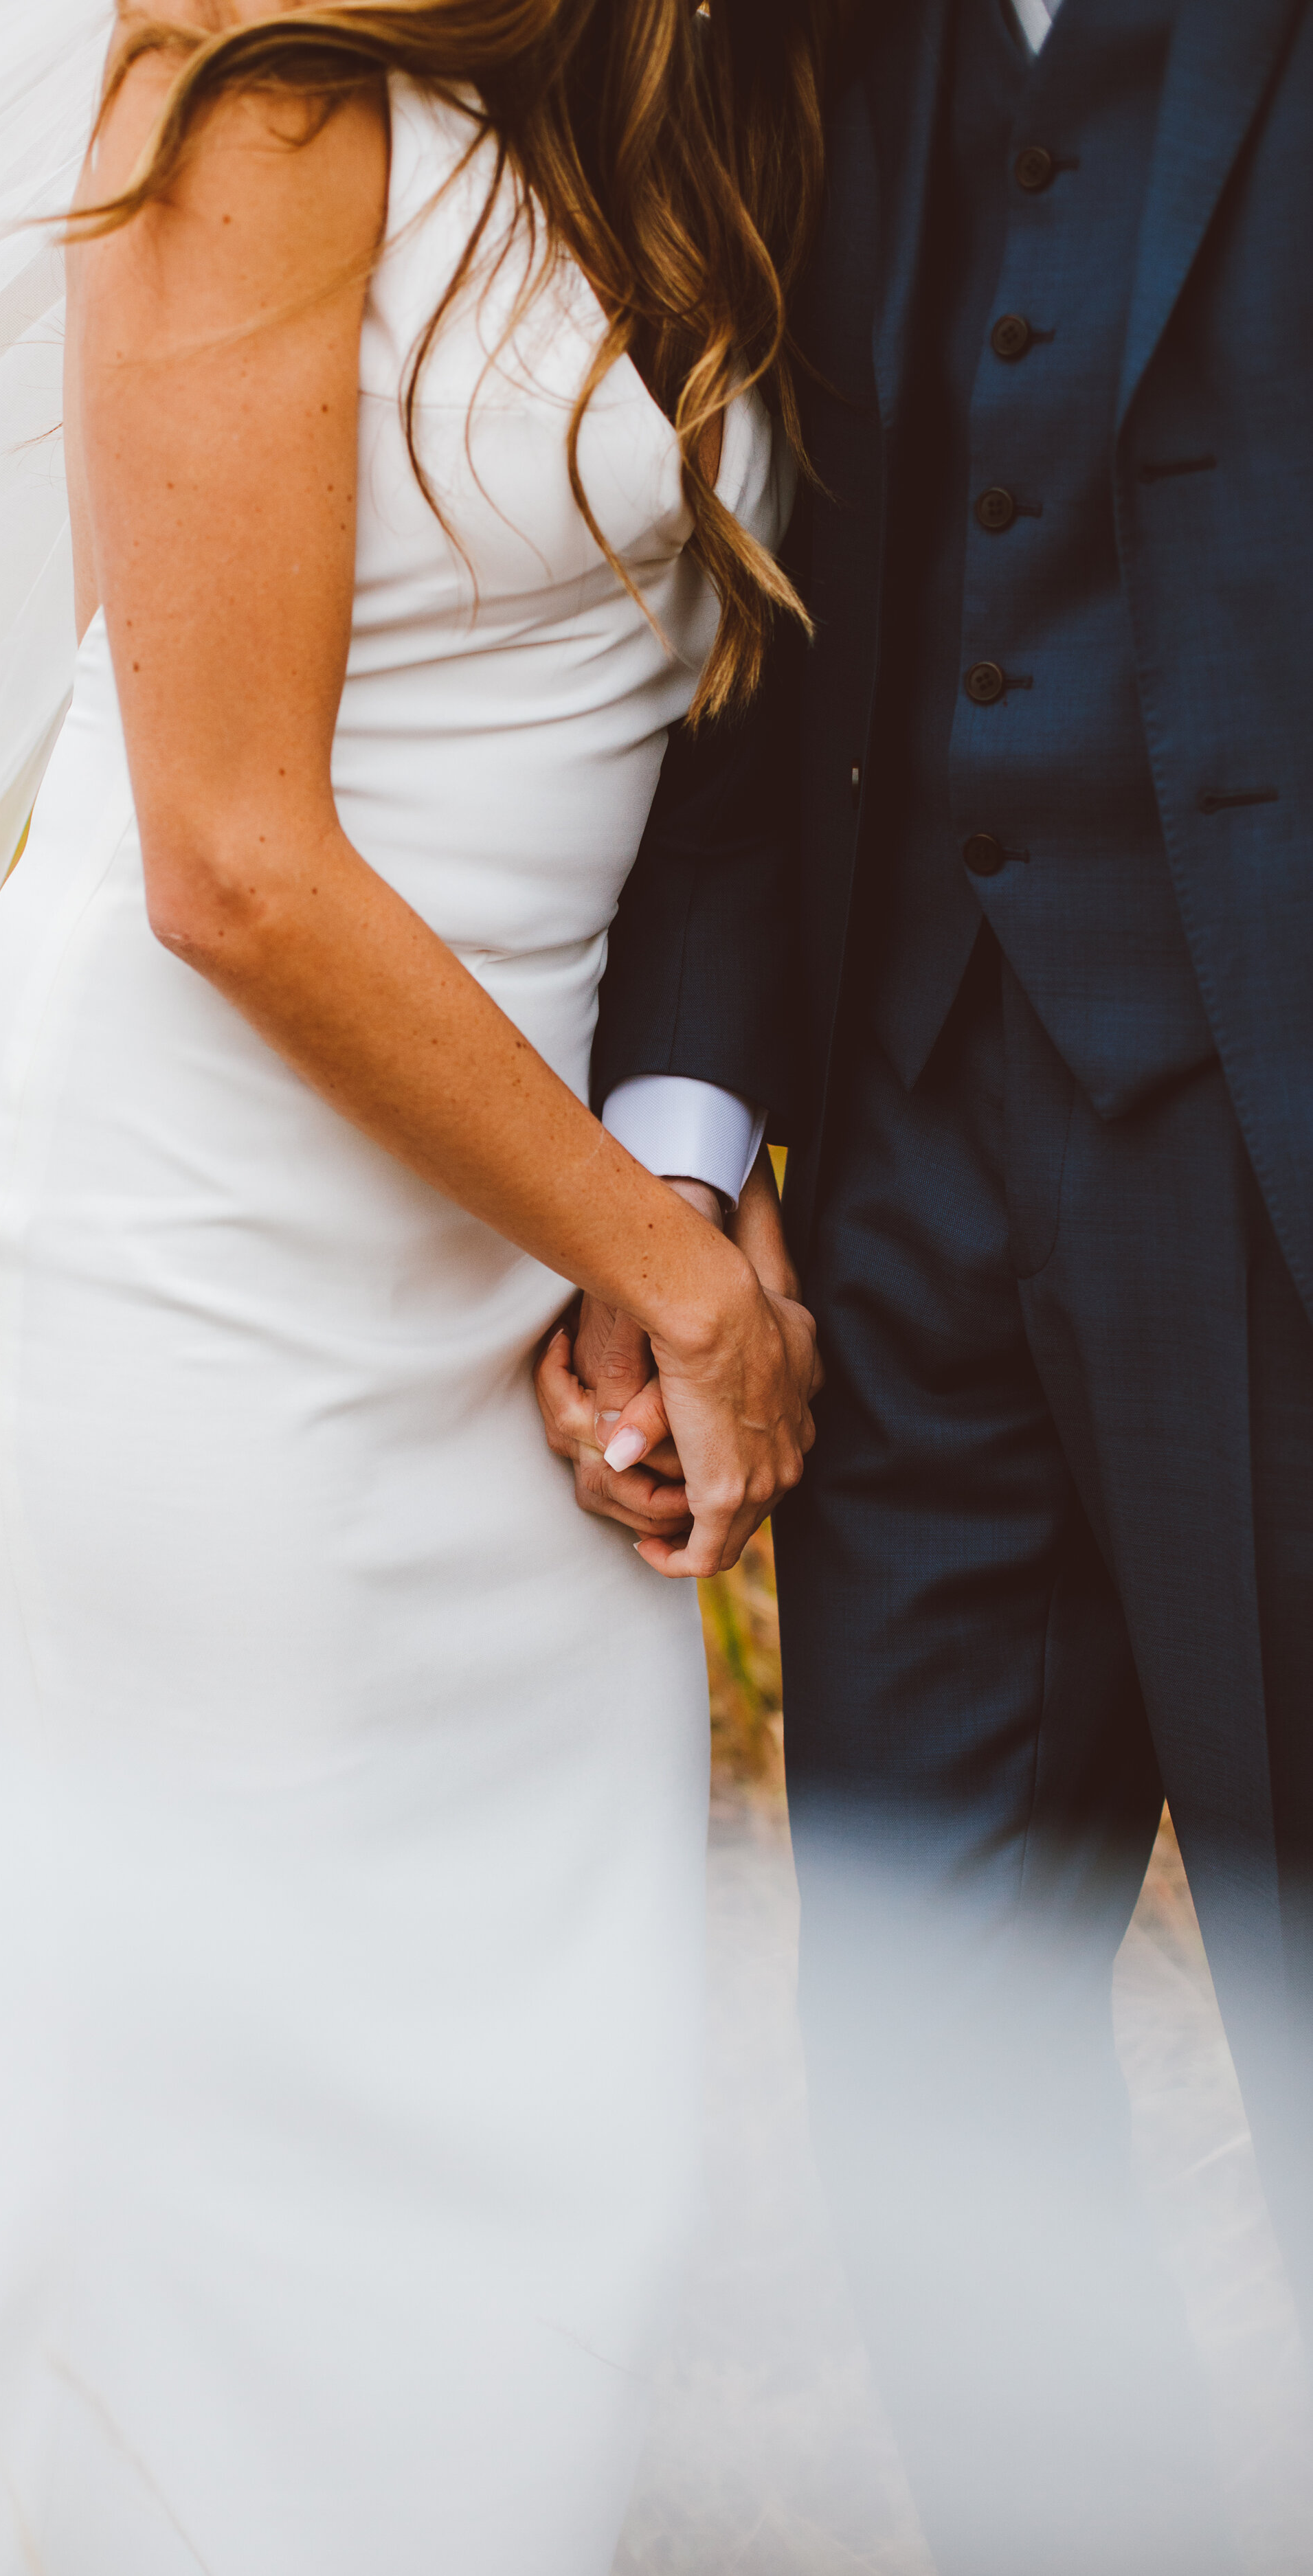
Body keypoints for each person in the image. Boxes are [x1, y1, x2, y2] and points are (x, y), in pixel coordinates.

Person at [0, 1, 829, 2567]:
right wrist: (658, 1268)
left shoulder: (691, 106)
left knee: (534, 2097)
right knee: (214, 2114)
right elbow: (230, 858)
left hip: (508, 1260)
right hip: (210, 1266)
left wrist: (653, 1206)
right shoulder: (255, 102)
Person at [541, 0, 1313, 2567]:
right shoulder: (788, 37)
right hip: (889, 1201)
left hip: (1270, 1170)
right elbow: (762, 613)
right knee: (921, 2044)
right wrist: (674, 1133)